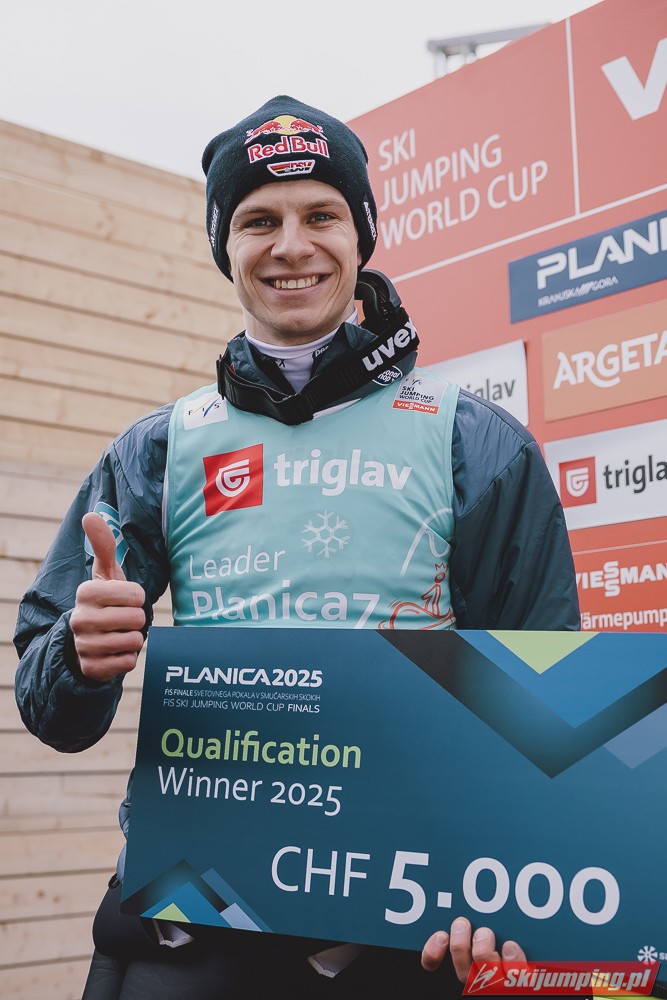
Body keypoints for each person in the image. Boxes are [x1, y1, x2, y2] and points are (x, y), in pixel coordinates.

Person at [14, 96, 580, 999]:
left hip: (402, 933)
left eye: (320, 214)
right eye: (257, 221)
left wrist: (508, 883)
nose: (290, 245)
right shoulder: (159, 448)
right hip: (193, 929)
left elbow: (544, 705)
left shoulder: (475, 442)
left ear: (361, 236)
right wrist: (81, 658)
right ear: (224, 246)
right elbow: (52, 713)